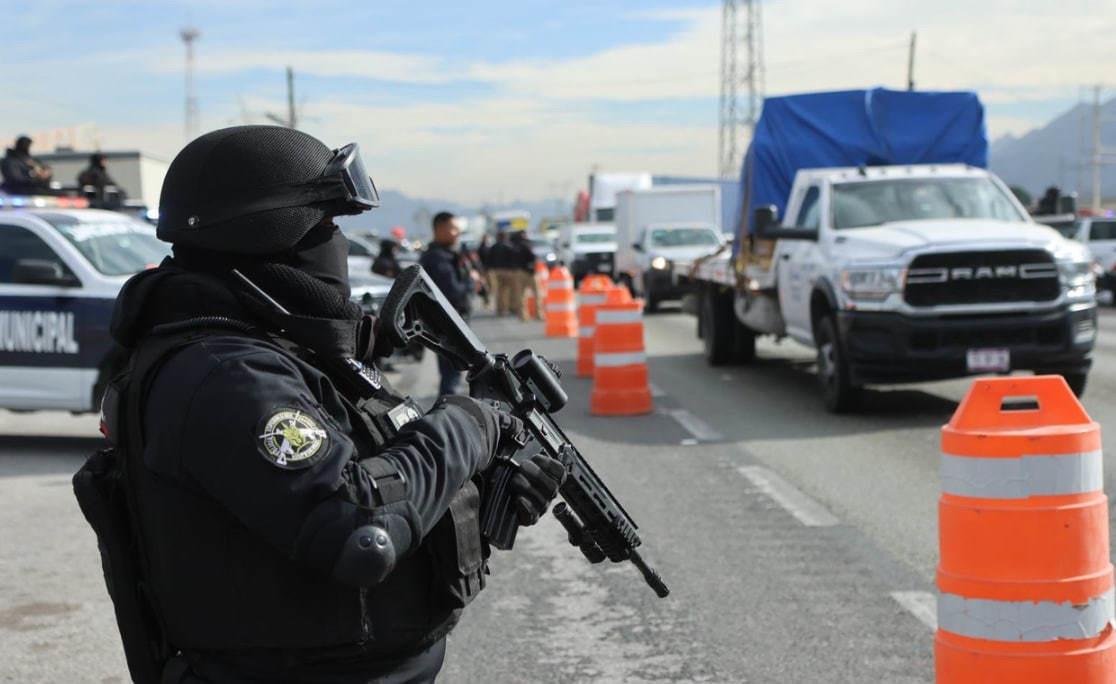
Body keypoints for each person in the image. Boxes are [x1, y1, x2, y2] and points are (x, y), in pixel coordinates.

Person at [86, 126, 565, 683]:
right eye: (327, 225)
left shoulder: (281, 348)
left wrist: (481, 491)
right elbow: (360, 530)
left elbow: (374, 481)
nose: (336, 244)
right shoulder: (226, 373)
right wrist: (468, 425)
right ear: (266, 232)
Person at [419, 211, 474, 394]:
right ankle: (448, 415)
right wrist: (471, 281)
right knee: (452, 375)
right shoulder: (437, 258)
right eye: (453, 228)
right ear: (440, 229)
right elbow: (453, 292)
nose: (457, 233)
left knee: (453, 373)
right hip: (448, 325)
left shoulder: (447, 254)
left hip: (451, 323)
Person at [509, 231, 538, 321]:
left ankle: (523, 315)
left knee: (520, 295)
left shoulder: (513, 246)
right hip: (528, 272)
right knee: (536, 293)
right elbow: (532, 257)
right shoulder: (526, 245)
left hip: (517, 272)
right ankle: (538, 313)